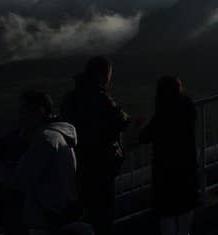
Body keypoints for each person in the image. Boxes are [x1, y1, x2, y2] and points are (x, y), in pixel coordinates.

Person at [0, 91, 88, 235]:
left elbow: (20, 180)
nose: (20, 116)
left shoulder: (45, 140)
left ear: (39, 112)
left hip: (46, 218)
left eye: (24, 111)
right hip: (57, 212)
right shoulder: (57, 136)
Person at [60, 56, 130, 235]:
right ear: (102, 75)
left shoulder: (71, 98)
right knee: (104, 213)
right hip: (101, 163)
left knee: (86, 211)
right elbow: (121, 120)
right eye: (108, 74)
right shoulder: (101, 98)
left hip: (78, 163)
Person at [138, 76, 199, 235]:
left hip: (166, 172)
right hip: (187, 167)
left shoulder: (163, 115)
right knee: (185, 208)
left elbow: (144, 136)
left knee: (167, 213)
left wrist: (138, 127)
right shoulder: (188, 107)